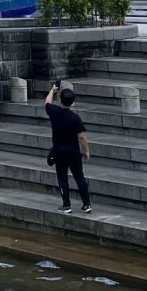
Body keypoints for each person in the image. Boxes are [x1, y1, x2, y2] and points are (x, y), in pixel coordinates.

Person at [43, 80, 92, 214]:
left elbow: (47, 102)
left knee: (62, 177)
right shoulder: (75, 118)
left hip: (59, 151)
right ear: (72, 102)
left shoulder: (54, 112)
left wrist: (52, 91)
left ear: (60, 100)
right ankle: (86, 204)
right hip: (73, 151)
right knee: (79, 177)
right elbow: (82, 137)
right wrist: (87, 151)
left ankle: (66, 205)